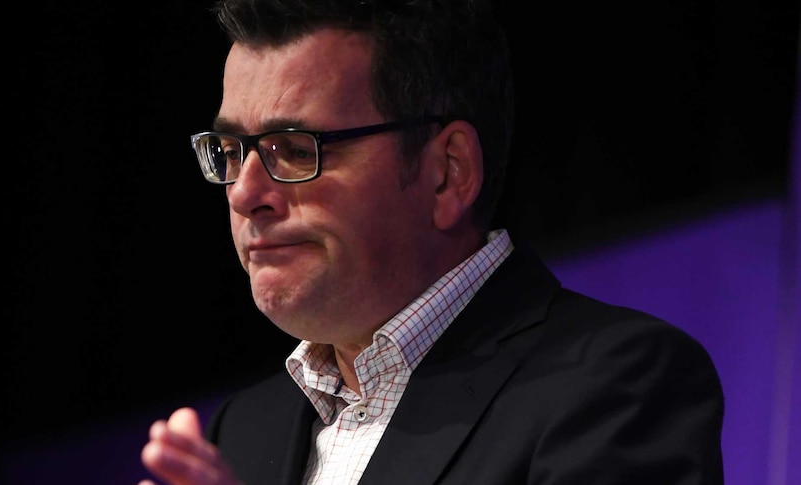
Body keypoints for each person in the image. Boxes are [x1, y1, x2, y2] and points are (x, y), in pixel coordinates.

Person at [139, 0, 725, 483]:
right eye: (231, 152)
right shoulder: (240, 432)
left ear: (448, 171)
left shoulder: (614, 388)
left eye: (295, 150)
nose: (245, 193)